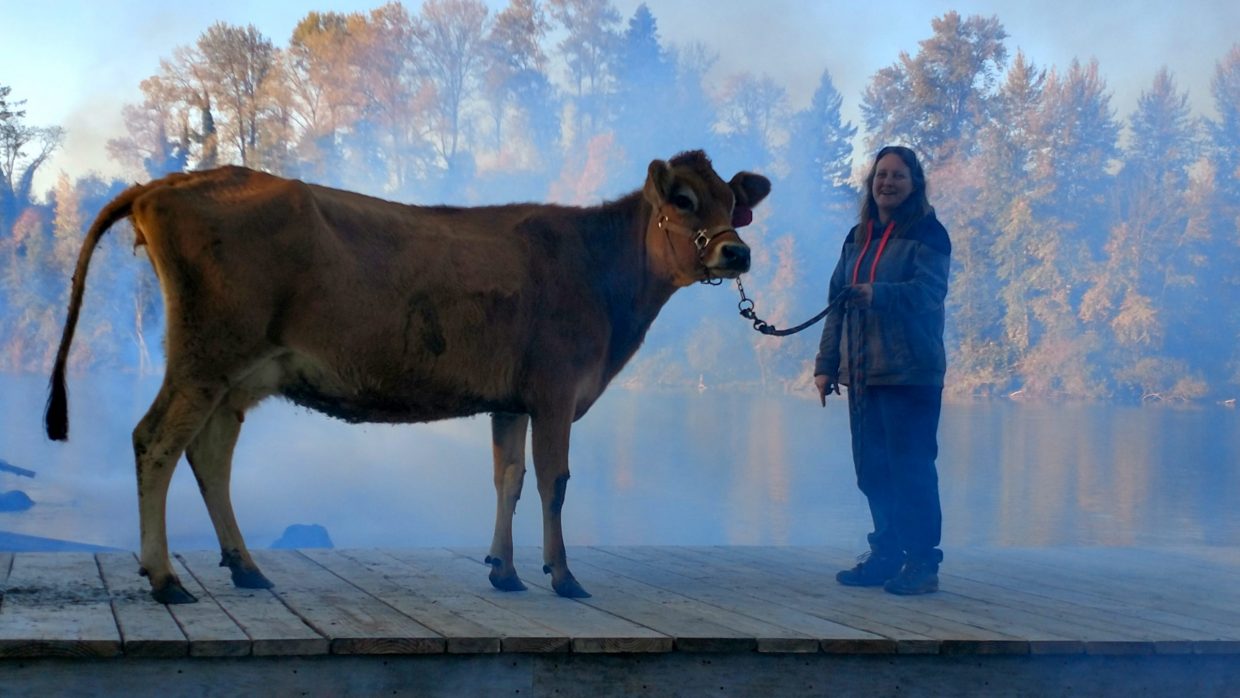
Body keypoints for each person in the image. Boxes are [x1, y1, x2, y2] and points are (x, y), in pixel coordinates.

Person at [814, 145, 951, 595]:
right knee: (872, 470)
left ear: (915, 184)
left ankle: (921, 563)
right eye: (880, 175)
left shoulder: (930, 235)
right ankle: (886, 554)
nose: (887, 183)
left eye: (897, 176)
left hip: (911, 373)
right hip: (862, 376)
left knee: (910, 469)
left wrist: (880, 294)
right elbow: (837, 302)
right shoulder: (857, 236)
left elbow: (928, 293)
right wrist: (825, 365)